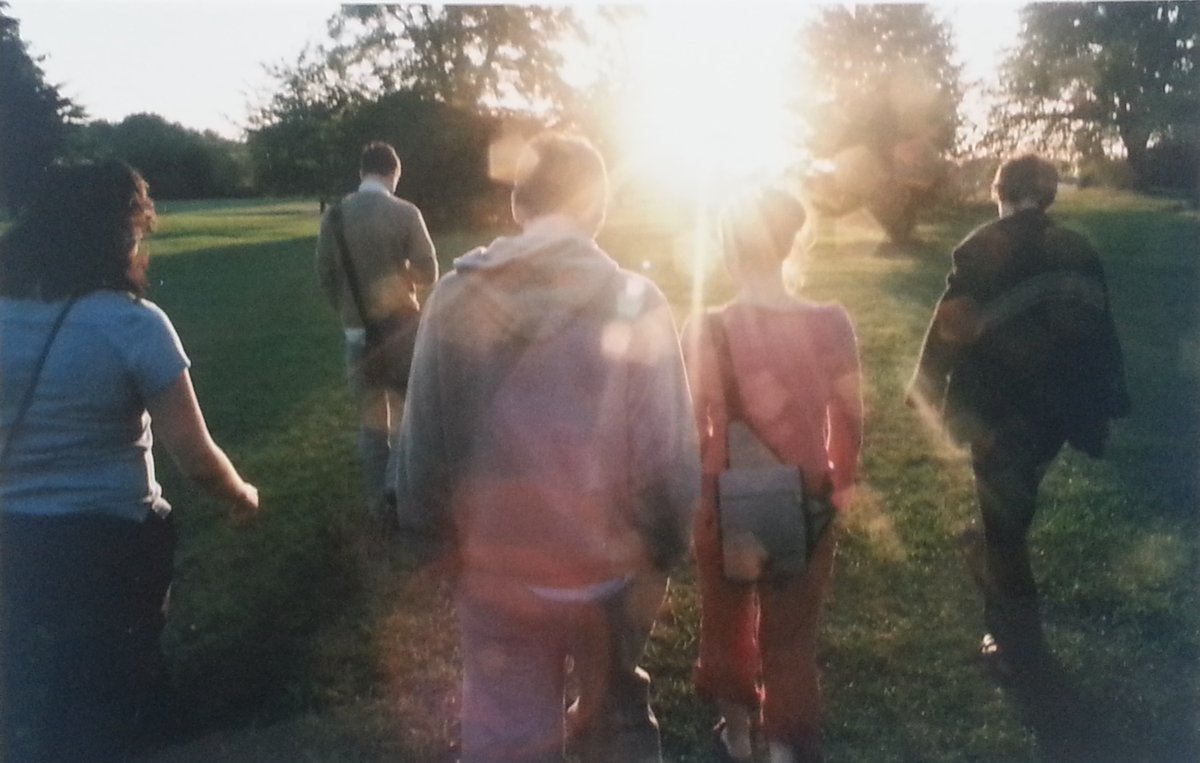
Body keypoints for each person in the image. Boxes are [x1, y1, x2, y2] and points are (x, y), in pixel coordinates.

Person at [394, 131, 699, 763]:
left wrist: (436, 543)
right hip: (611, 570)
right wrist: (663, 547)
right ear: (597, 209)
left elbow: (424, 445)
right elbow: (666, 457)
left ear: (518, 206)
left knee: (506, 733)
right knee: (611, 722)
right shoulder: (636, 302)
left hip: (497, 568)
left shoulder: (455, 298)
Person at [0, 160, 260, 762]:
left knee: (76, 660)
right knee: (93, 697)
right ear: (118, 236)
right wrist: (242, 494)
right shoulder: (132, 325)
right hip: (111, 541)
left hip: (17, 538)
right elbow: (195, 459)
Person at [907, 153, 1130, 673]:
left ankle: (1012, 645)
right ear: (1047, 194)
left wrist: (925, 385)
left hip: (997, 412)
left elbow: (949, 327)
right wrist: (1104, 402)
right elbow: (1101, 331)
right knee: (1013, 507)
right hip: (1056, 411)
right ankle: (987, 553)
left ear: (999, 192)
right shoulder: (1077, 249)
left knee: (1006, 527)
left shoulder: (981, 248)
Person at [682, 187, 863, 763]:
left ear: (727, 251)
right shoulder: (832, 322)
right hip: (807, 494)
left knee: (725, 620)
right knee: (792, 638)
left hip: (725, 495)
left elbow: (693, 425)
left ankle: (736, 738)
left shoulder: (707, 328)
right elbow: (851, 418)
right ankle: (786, 748)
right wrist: (840, 481)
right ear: (788, 245)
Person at [316, 141, 437, 524]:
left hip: (358, 335)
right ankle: (398, 491)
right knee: (406, 417)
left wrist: (349, 312)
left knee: (372, 426)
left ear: (361, 173)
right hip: (401, 331)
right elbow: (428, 272)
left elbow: (325, 275)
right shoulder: (405, 213)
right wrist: (400, 278)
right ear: (393, 174)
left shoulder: (334, 217)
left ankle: (377, 505)